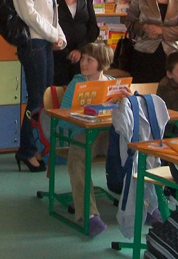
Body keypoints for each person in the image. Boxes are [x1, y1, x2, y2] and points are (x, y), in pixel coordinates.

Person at [58, 42, 132, 237]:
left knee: (132, 153)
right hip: (84, 133)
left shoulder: (113, 83)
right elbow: (62, 120)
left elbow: (126, 116)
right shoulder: (76, 83)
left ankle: (144, 205)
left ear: (101, 63)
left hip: (108, 133)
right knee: (77, 159)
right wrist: (81, 115)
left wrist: (129, 100)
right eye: (83, 58)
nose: (83, 63)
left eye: (89, 60)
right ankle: (89, 214)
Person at [9, 0, 66, 172]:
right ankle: (26, 150)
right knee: (35, 99)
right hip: (33, 45)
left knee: (44, 100)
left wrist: (60, 36)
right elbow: (29, 14)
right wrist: (53, 35)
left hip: (45, 44)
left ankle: (34, 147)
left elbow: (52, 14)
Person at [53, 0, 99, 86]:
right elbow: (47, 26)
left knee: (80, 91)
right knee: (59, 93)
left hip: (82, 57)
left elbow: (93, 28)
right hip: (58, 55)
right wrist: (66, 52)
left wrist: (80, 50)